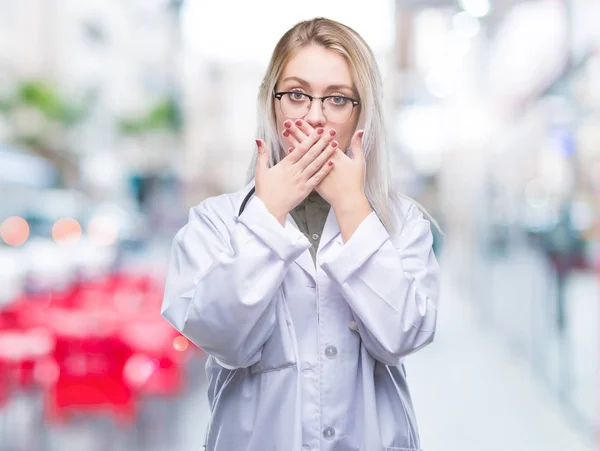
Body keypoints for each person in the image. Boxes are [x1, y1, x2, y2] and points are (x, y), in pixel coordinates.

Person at [161, 17, 440, 451]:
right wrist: (268, 214)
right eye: (296, 95)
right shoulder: (215, 221)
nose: (314, 116)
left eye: (337, 99)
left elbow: (402, 337)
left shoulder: (404, 224)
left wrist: (353, 209)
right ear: (272, 105)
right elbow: (221, 339)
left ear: (361, 112)